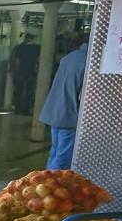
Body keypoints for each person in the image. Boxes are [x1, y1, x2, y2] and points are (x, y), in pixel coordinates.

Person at [39, 35, 90, 169]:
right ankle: (52, 185)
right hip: (68, 114)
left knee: (55, 152)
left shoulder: (68, 58)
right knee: (63, 157)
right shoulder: (90, 61)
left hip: (55, 111)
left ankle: (45, 181)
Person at [11, 33, 40, 114]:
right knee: (29, 91)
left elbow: (17, 60)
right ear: (32, 38)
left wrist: (16, 71)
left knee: (18, 90)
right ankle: (27, 109)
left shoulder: (19, 47)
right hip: (31, 72)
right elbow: (38, 60)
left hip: (20, 72)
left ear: (25, 38)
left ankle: (17, 108)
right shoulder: (37, 47)